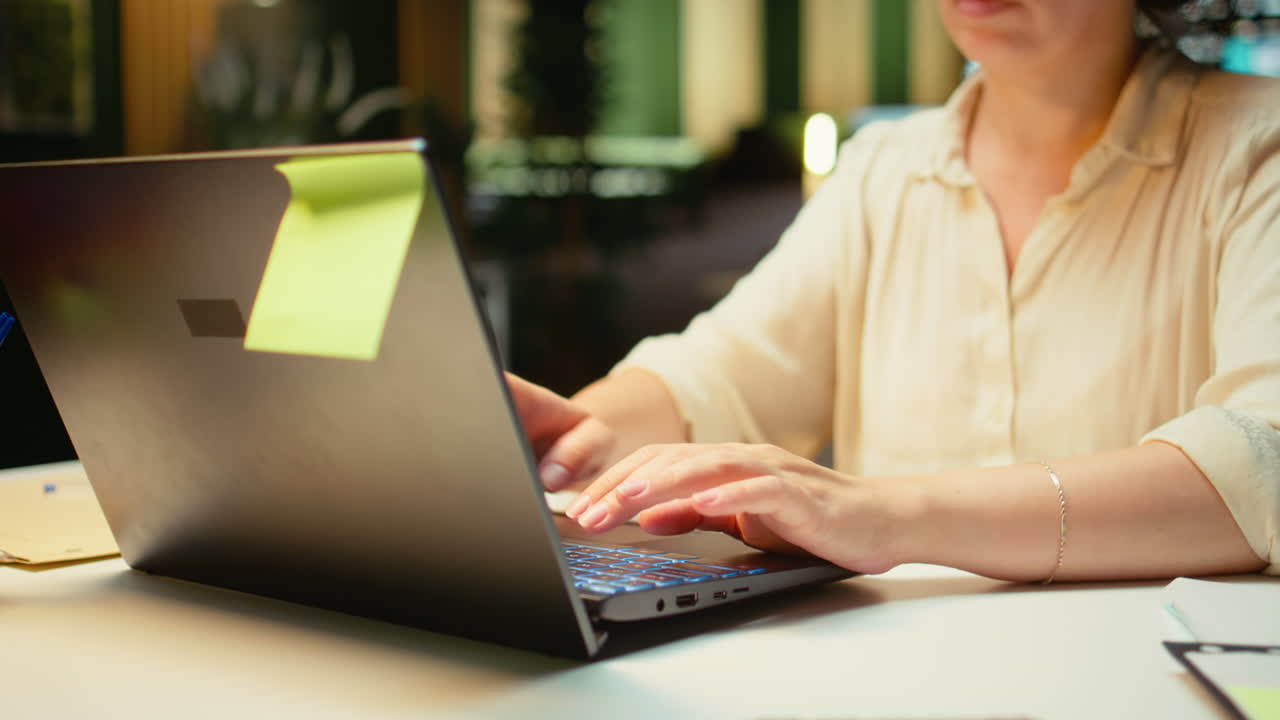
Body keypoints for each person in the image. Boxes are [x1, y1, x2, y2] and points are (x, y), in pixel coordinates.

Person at [507, 0, 1280, 583]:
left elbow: (1260, 464)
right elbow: (727, 372)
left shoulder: (1256, 150)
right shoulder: (886, 168)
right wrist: (580, 434)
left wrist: (880, 515)